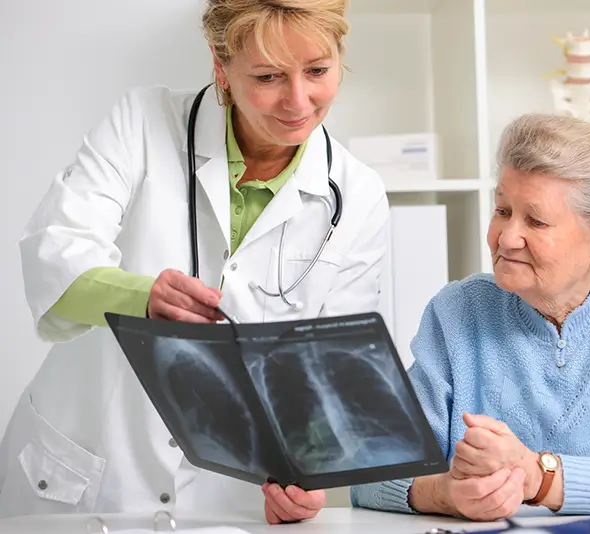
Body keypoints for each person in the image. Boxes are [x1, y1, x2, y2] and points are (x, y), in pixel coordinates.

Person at [0, 0, 388, 524]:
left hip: (230, 497)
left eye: (318, 70)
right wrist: (141, 298)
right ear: (219, 62)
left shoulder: (359, 194)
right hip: (83, 475)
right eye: (268, 76)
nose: (298, 100)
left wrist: (310, 472)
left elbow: (332, 372)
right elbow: (55, 256)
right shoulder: (141, 123)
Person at [350, 113, 590, 521]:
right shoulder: (459, 310)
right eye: (503, 210)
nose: (507, 238)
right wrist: (446, 493)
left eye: (537, 220)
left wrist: (538, 476)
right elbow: (370, 471)